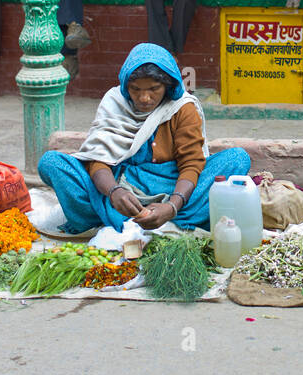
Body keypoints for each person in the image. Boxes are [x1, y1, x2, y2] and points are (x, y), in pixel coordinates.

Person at [37, 43, 251, 234]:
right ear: (125, 86)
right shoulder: (115, 102)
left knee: (237, 159)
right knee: (52, 162)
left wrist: (172, 206)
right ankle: (122, 218)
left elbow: (192, 164)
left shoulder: (182, 108)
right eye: (135, 89)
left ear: (168, 86)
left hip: (172, 188)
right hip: (119, 190)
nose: (144, 98)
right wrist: (114, 192)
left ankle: (167, 218)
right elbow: (97, 158)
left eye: (154, 89)